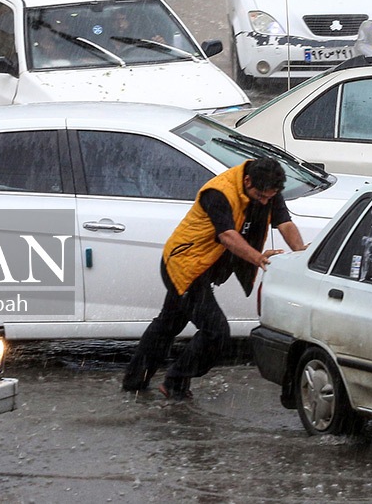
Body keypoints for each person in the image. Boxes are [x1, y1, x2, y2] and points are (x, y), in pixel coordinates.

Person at [122, 157, 306, 399]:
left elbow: (285, 223)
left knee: (168, 324)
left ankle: (135, 382)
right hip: (185, 265)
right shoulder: (219, 192)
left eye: (269, 198)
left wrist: (302, 255)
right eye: (260, 196)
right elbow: (227, 236)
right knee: (215, 332)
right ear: (247, 181)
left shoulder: (267, 188)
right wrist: (259, 259)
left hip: (204, 265)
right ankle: (175, 381)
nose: (264, 202)